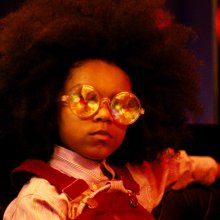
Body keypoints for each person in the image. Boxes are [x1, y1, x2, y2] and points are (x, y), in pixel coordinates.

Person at [0, 0, 220, 219]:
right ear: (49, 104)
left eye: (122, 105)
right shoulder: (42, 199)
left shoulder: (138, 178)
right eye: (85, 100)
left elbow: (181, 166)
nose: (105, 115)